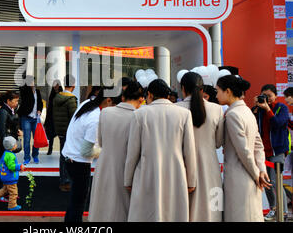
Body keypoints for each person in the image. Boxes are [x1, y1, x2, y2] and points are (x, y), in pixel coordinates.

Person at [124, 79, 197, 222]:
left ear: (149, 94)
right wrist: (191, 180)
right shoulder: (184, 114)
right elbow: (189, 150)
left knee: (146, 213)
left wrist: (128, 179)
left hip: (147, 171)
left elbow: (132, 151)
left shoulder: (140, 114)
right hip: (175, 172)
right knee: (173, 213)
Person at [216, 75, 271, 222]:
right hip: (251, 176)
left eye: (218, 91)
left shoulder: (233, 114)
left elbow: (244, 151)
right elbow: (258, 145)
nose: (216, 95)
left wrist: (257, 175)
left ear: (227, 91)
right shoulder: (247, 111)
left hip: (239, 176)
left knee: (239, 216)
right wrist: (261, 170)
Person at [88, 81, 144, 222]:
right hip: (126, 167)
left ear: (123, 96)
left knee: (102, 208)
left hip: (104, 165)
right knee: (122, 210)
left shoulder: (105, 112)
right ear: (141, 99)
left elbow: (100, 142)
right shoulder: (139, 116)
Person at [62, 87, 116, 222]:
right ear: (108, 100)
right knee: (78, 203)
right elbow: (86, 151)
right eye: (116, 105)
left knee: (75, 201)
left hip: (69, 157)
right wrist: (106, 151)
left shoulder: (87, 104)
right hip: (79, 163)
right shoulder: (96, 119)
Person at [176, 72, 224, 222]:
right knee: (213, 211)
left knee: (185, 210)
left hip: (182, 167)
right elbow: (218, 142)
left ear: (183, 88)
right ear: (202, 89)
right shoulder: (217, 109)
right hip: (210, 167)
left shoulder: (175, 109)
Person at [251, 84, 290, 220]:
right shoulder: (259, 109)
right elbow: (251, 123)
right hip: (263, 152)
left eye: (269, 95)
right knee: (267, 182)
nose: (266, 98)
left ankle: (284, 212)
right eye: (264, 95)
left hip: (277, 151)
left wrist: (267, 108)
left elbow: (278, 123)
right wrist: (255, 107)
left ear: (275, 95)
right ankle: (273, 209)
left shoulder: (281, 108)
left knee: (276, 181)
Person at [0, 91, 23, 192]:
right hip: (5, 144)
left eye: (17, 101)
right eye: (15, 101)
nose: (16, 103)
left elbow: (11, 125)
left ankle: (5, 192)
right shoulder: (3, 112)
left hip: (9, 143)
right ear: (8, 101)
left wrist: (17, 131)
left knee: (7, 168)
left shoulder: (11, 110)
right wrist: (8, 145)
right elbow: (2, 131)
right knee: (2, 169)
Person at [53, 75, 78, 192]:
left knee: (63, 155)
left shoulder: (57, 97)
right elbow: (74, 117)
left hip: (60, 130)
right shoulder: (71, 99)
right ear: (74, 85)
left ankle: (63, 179)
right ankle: (66, 180)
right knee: (68, 156)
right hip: (69, 132)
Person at [0, 136, 25, 211]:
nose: (16, 145)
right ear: (12, 146)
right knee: (14, 192)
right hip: (10, 178)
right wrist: (19, 167)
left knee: (4, 190)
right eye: (15, 144)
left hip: (5, 177)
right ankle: (12, 205)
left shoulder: (6, 153)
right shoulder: (10, 156)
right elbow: (11, 167)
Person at [17, 75, 43, 165]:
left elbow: (40, 102)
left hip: (35, 118)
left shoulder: (37, 91)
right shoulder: (25, 91)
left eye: (33, 81)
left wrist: (40, 109)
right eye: (30, 82)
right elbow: (22, 89)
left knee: (36, 139)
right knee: (27, 139)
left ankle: (35, 155)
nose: (32, 83)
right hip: (26, 118)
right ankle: (27, 157)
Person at [44, 79, 62, 156]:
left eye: (57, 85)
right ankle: (50, 149)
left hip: (60, 118)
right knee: (51, 135)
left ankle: (62, 151)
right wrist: (47, 120)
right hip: (52, 118)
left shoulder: (62, 94)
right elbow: (49, 109)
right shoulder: (51, 95)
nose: (56, 87)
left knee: (61, 136)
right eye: (54, 85)